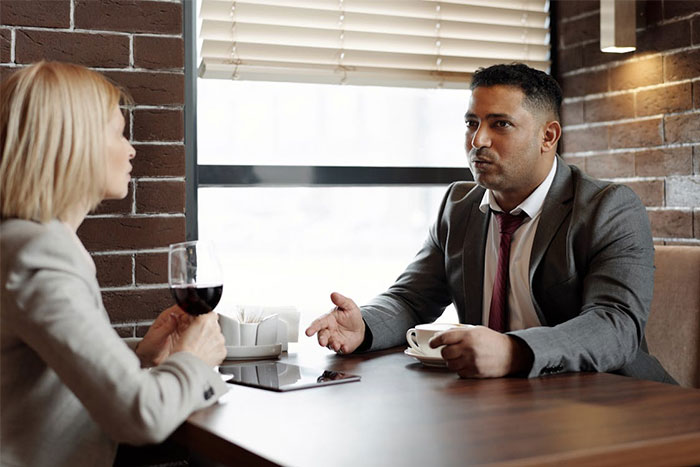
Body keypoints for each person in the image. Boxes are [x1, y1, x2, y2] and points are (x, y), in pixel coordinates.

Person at [306, 63, 675, 384]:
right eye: (472, 123)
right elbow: (410, 299)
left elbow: (615, 325)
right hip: (502, 402)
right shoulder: (459, 206)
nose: (478, 140)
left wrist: (514, 352)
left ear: (548, 136)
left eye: (500, 124)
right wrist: (365, 326)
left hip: (613, 402)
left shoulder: (608, 209)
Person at [0, 61, 228, 467]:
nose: (131, 149)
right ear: (76, 143)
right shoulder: (40, 254)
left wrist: (137, 358)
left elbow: (38, 367)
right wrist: (194, 359)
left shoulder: (23, 242)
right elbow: (141, 416)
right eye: (120, 132)